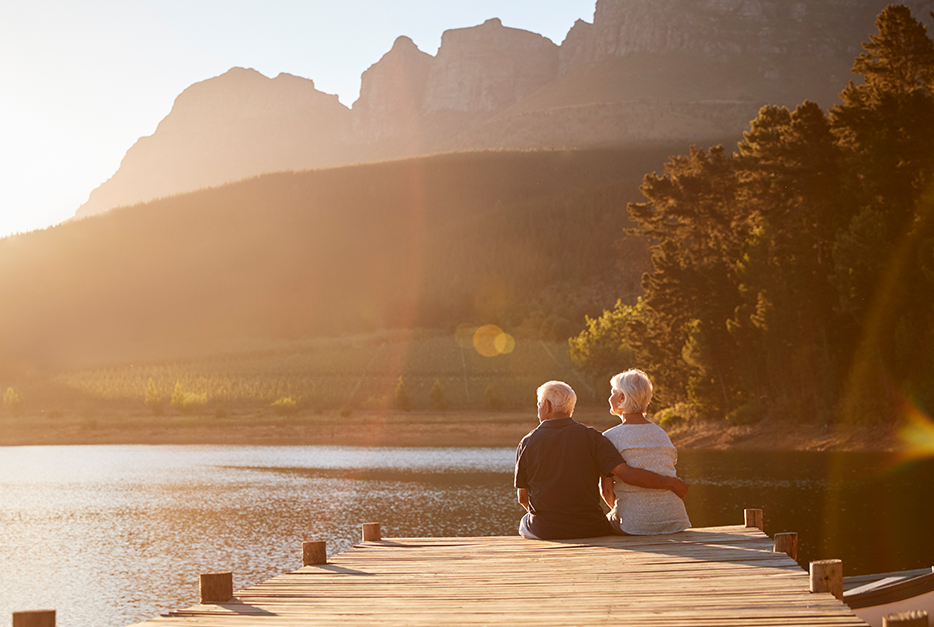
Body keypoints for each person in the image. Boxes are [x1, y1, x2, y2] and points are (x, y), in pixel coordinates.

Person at [515, 380, 688, 540]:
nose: (538, 409)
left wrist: (550, 519)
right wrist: (671, 482)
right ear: (570, 408)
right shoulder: (594, 438)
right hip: (591, 528)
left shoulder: (527, 442)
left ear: (546, 406)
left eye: (539, 404)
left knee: (524, 523)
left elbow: (523, 498)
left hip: (546, 530)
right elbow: (624, 475)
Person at [601, 369, 691, 535]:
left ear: (622, 398)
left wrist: (627, 513)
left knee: (602, 523)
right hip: (675, 521)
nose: (609, 398)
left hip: (635, 525)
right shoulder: (661, 433)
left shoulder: (609, 437)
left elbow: (606, 492)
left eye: (613, 393)